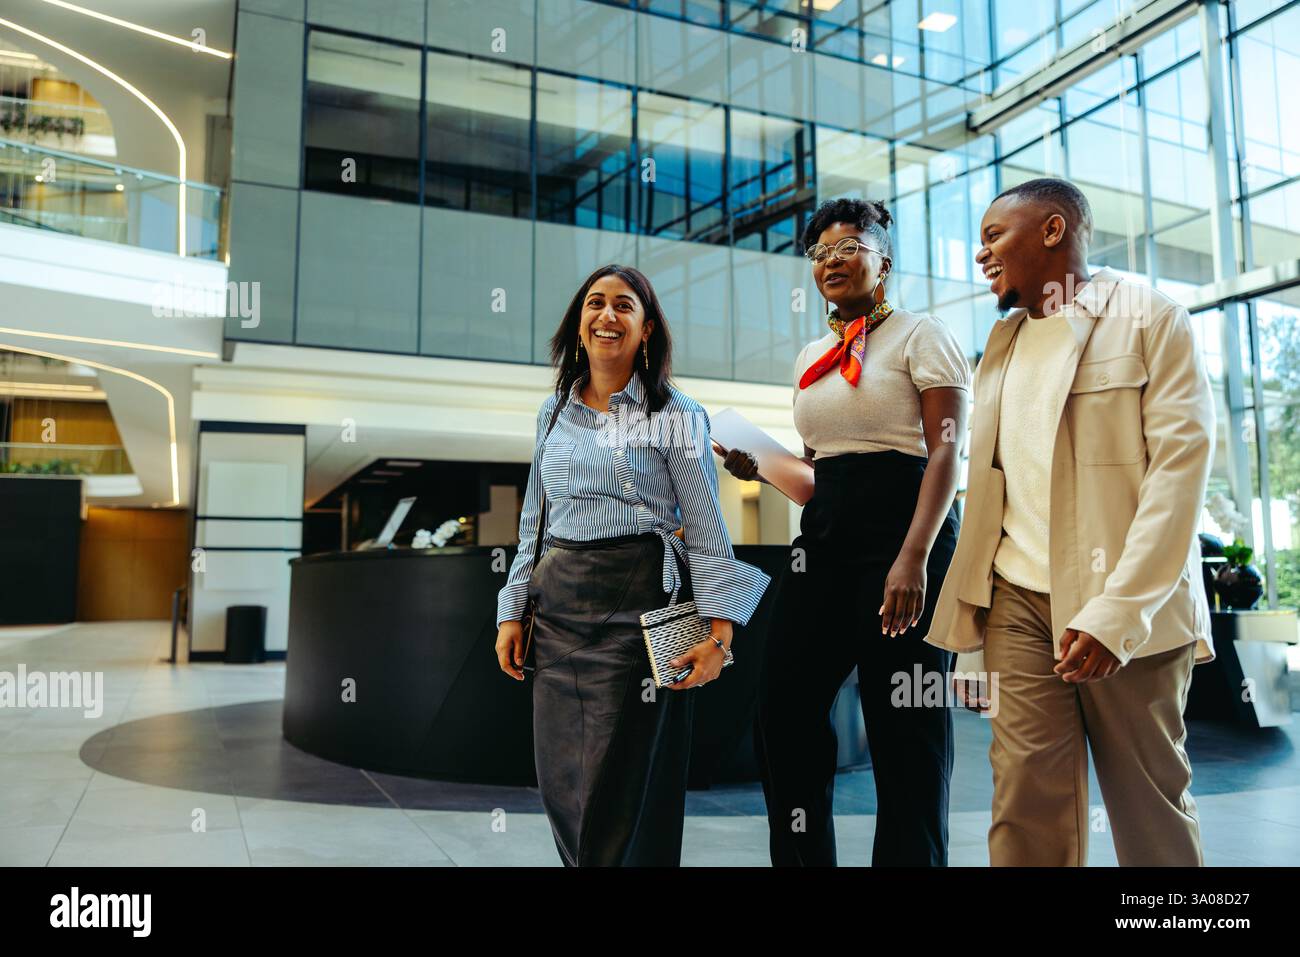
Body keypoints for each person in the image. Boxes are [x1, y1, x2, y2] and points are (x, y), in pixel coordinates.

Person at [926, 177, 1216, 866]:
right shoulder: (1000, 345)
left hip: (1128, 604)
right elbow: (989, 496)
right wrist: (973, 638)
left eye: (994, 235)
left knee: (1150, 807)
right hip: (1017, 606)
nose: (981, 254)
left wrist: (1117, 612)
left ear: (1053, 230)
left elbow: (1179, 475)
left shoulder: (1151, 318)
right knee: (1024, 805)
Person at [494, 263, 771, 867]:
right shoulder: (552, 413)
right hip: (558, 605)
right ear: (579, 324)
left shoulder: (677, 413)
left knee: (618, 787)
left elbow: (703, 527)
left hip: (639, 601)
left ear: (647, 330)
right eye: (595, 303)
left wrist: (721, 633)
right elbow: (533, 521)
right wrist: (510, 611)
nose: (607, 315)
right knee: (563, 783)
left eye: (625, 305)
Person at [724, 198, 970, 866]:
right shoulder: (814, 353)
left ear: (882, 260)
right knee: (781, 706)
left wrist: (914, 556)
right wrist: (761, 468)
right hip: (825, 535)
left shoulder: (922, 335)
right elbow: (816, 474)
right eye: (820, 252)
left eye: (848, 246)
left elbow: (946, 452)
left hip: (907, 528)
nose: (831, 261)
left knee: (905, 725)